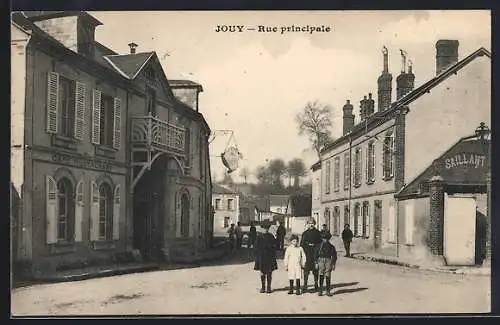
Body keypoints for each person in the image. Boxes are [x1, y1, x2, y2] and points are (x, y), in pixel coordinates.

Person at [254, 220, 278, 293]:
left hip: (270, 257)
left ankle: (269, 287)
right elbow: (255, 247)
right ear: (262, 228)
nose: (266, 230)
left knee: (269, 272)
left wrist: (275, 240)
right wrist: (257, 257)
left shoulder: (271, 236)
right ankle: (263, 287)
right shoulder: (259, 237)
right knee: (262, 272)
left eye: (267, 228)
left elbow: (275, 246)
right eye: (264, 228)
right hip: (261, 257)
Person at [300, 218, 322, 293]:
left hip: (315, 252)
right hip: (307, 253)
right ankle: (305, 285)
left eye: (312, 223)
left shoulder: (318, 233)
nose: (311, 225)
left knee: (315, 270)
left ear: (314, 224)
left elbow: (320, 243)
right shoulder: (305, 233)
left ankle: (316, 284)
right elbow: (302, 244)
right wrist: (303, 254)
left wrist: (318, 252)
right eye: (309, 223)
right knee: (306, 270)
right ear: (307, 224)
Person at [314, 231, 338, 296]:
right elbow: (315, 255)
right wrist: (316, 262)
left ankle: (328, 290)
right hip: (320, 260)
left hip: (328, 260)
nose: (325, 240)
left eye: (327, 238)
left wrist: (333, 264)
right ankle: (320, 290)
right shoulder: (318, 246)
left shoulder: (331, 246)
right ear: (322, 238)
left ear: (329, 239)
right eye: (324, 238)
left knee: (328, 274)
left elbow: (334, 256)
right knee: (321, 274)